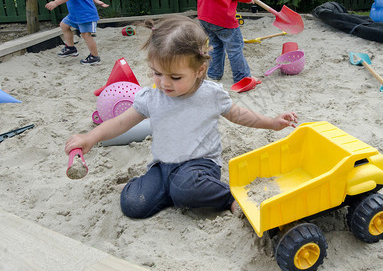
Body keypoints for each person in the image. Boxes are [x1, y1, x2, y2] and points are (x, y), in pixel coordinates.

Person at [64, 15, 298, 219]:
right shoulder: (151, 97)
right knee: (134, 205)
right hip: (162, 166)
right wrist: (90, 138)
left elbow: (240, 115)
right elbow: (121, 122)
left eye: (175, 77)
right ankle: (151, 188)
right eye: (157, 73)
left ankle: (228, 198)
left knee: (187, 189)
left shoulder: (211, 94)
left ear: (199, 70)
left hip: (199, 166)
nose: (164, 83)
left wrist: (272, 123)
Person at [197, 0, 255, 84]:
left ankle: (214, 74)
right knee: (235, 48)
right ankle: (242, 78)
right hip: (222, 14)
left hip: (205, 12)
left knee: (214, 45)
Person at [45, 0, 109, 65]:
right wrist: (96, 0)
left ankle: (95, 57)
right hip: (74, 14)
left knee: (86, 34)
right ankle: (71, 48)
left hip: (85, 13)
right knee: (64, 25)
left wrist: (55, 2)